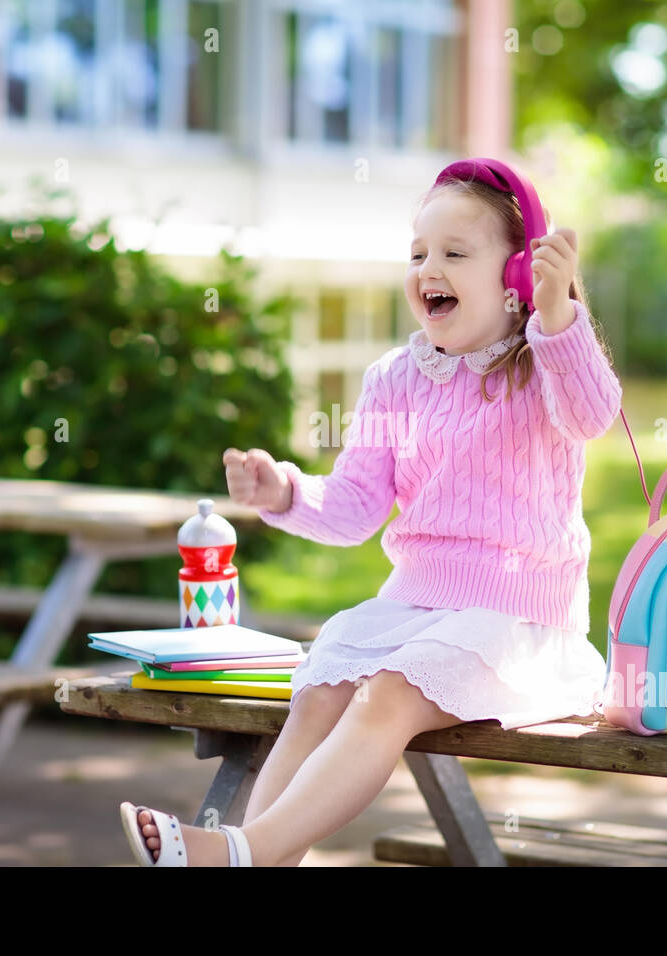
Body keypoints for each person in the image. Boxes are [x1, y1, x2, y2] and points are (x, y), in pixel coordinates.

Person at [127, 165, 622, 866]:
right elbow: (356, 506)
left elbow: (593, 413)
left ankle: (238, 852)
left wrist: (557, 316)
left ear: (515, 274)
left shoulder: (542, 361)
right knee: (322, 687)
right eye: (418, 253)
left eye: (455, 252)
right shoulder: (396, 377)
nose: (429, 268)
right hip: (415, 609)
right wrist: (285, 493)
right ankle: (252, 857)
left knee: (384, 696)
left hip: (517, 624)